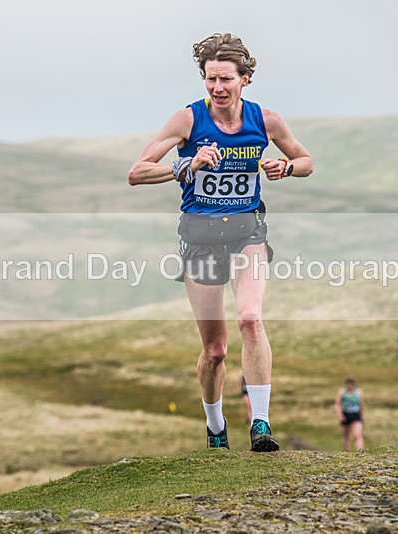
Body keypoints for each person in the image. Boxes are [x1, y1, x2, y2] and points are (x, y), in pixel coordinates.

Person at [128, 33, 313, 452]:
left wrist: (286, 167)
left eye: (226, 79)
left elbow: (306, 161)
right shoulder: (188, 121)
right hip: (200, 238)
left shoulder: (265, 120)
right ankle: (216, 428)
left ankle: (261, 425)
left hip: (248, 232)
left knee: (251, 319)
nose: (217, 88)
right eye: (210, 80)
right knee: (215, 350)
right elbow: (137, 172)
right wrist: (185, 164)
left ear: (245, 79)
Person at [335, 378, 364, 451]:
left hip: (355, 414)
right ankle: (346, 451)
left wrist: (362, 416)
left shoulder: (358, 392)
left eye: (352, 384)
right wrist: (340, 415)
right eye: (349, 384)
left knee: (357, 435)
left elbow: (361, 405)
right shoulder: (342, 392)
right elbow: (337, 404)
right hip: (345, 415)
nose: (350, 386)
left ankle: (361, 451)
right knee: (346, 435)